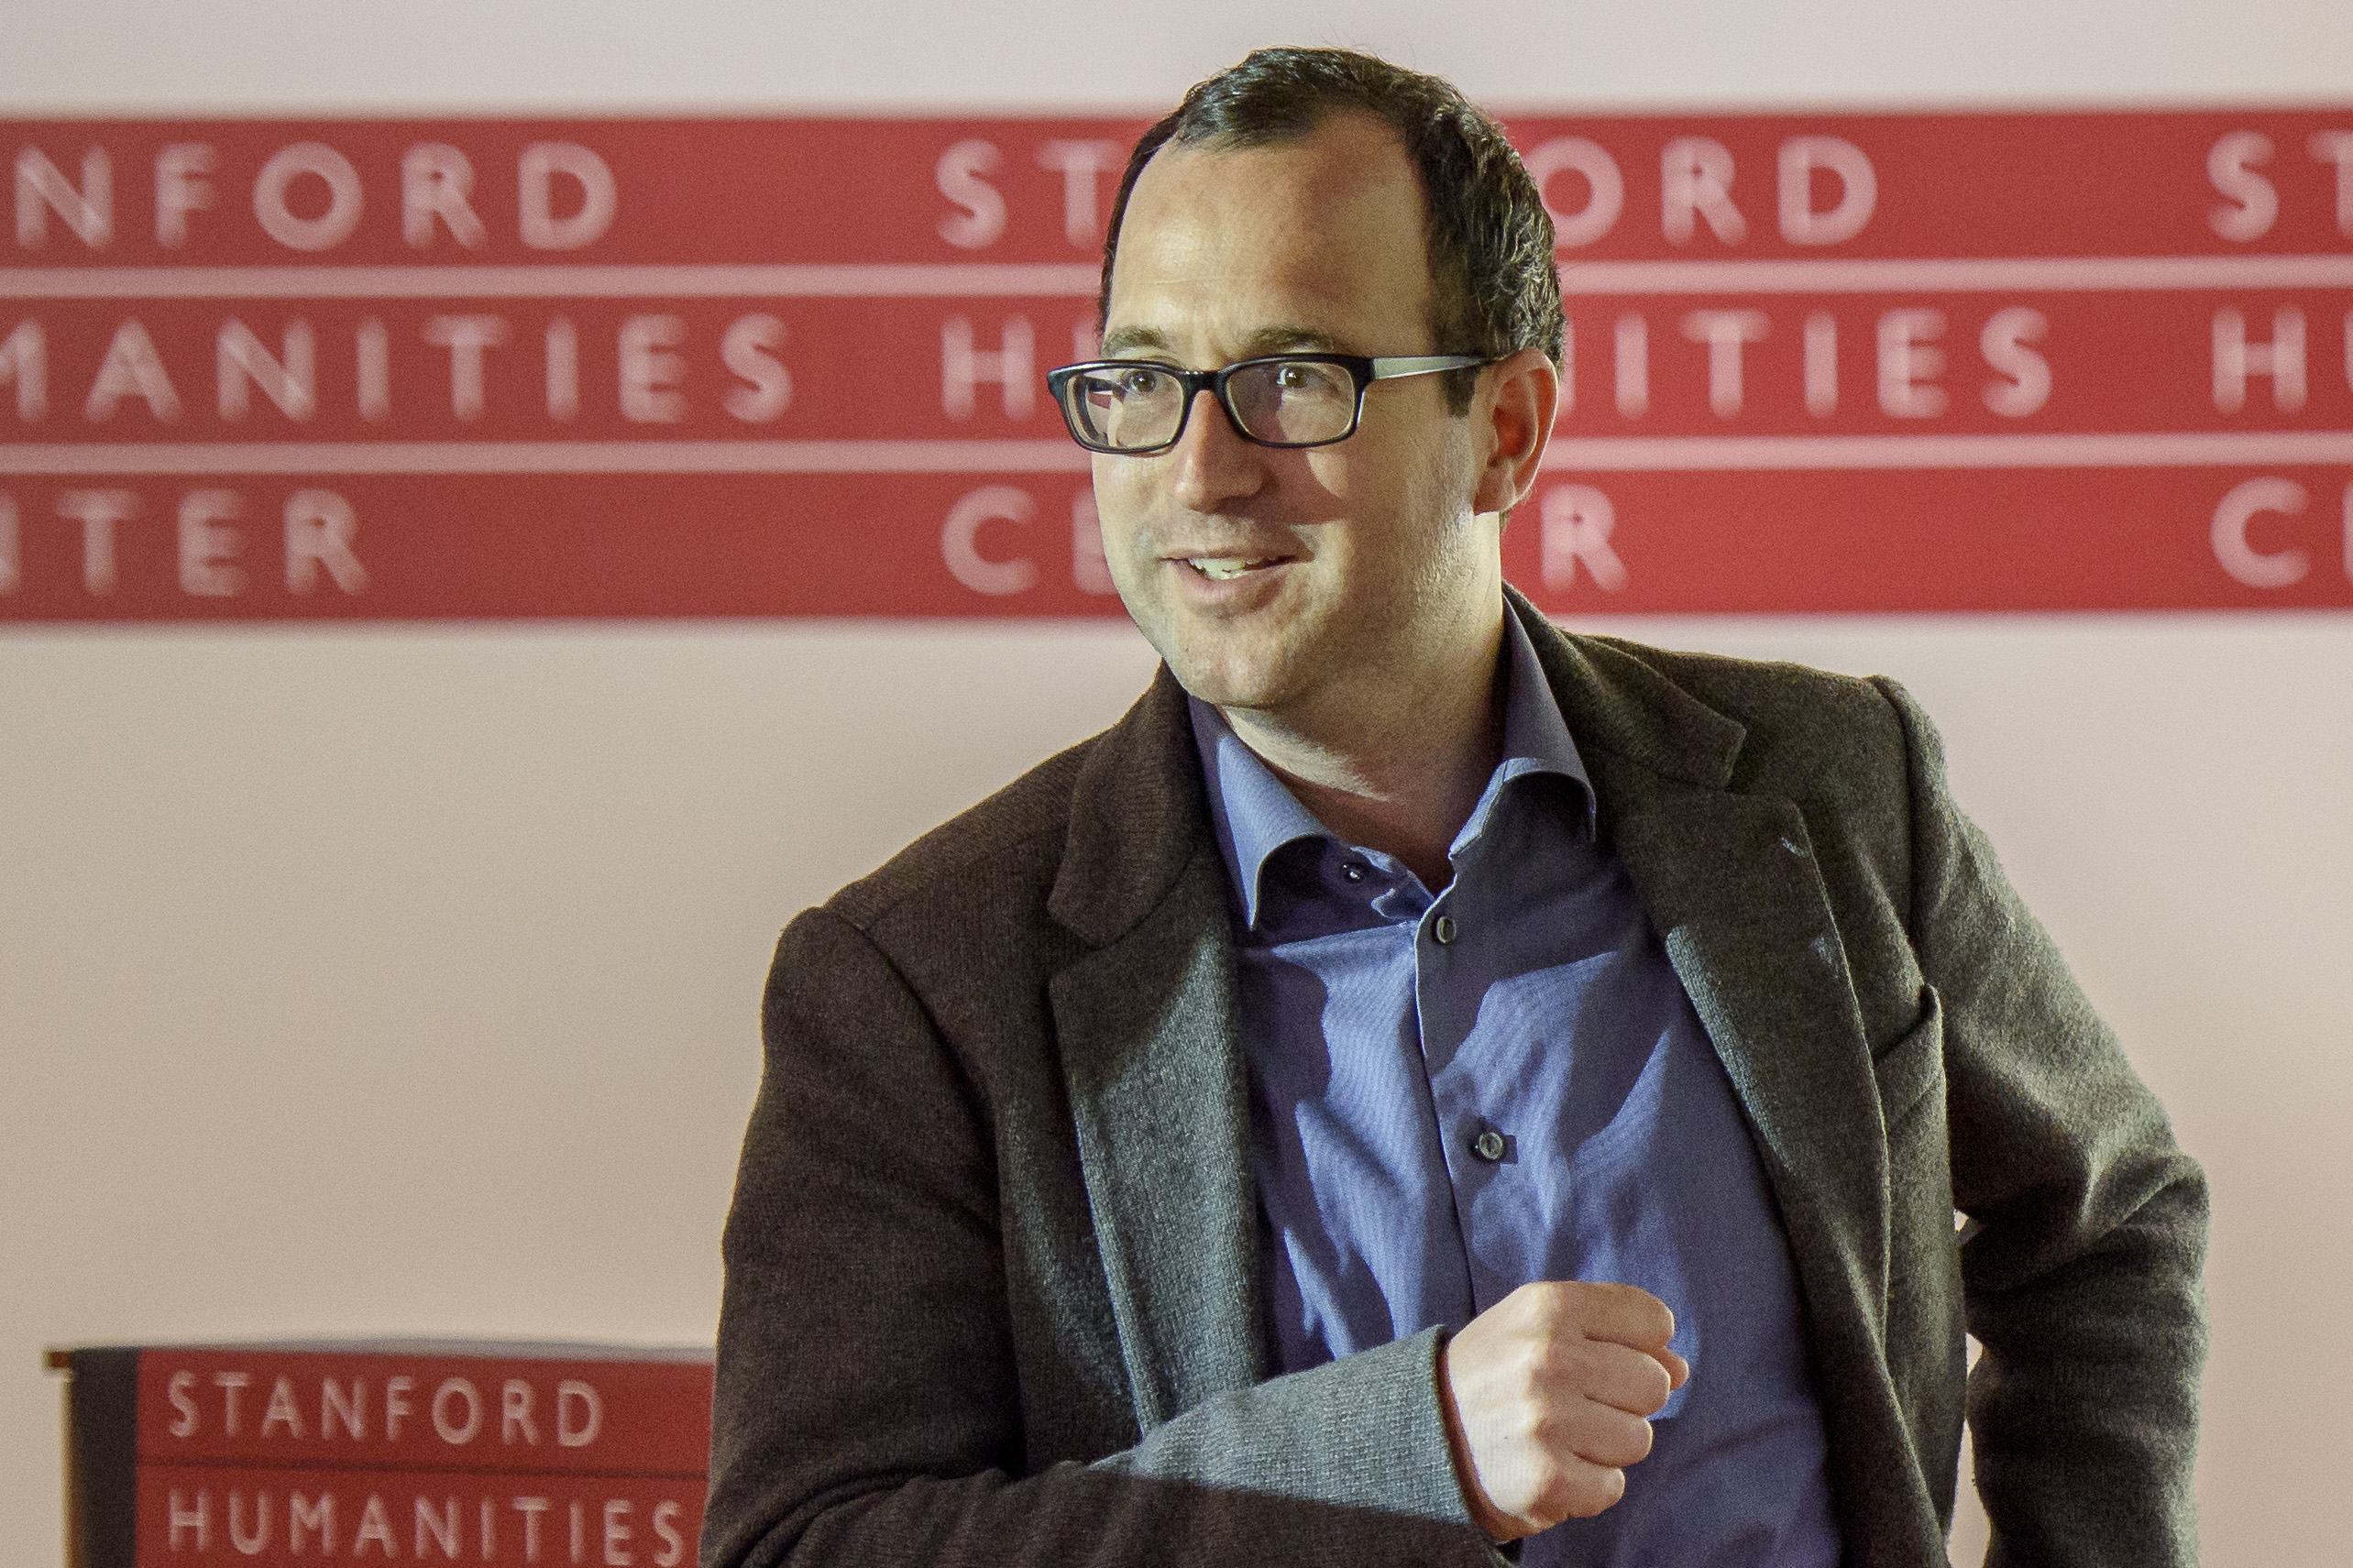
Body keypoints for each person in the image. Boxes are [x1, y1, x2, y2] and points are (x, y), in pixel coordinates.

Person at [701, 47, 2207, 1568]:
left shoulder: (1832, 789)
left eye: (1295, 380)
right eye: (1145, 383)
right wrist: (1401, 1451)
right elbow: (807, 1544)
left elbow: (2108, 1221)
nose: (1202, 474)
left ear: (1507, 429)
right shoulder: (914, 985)